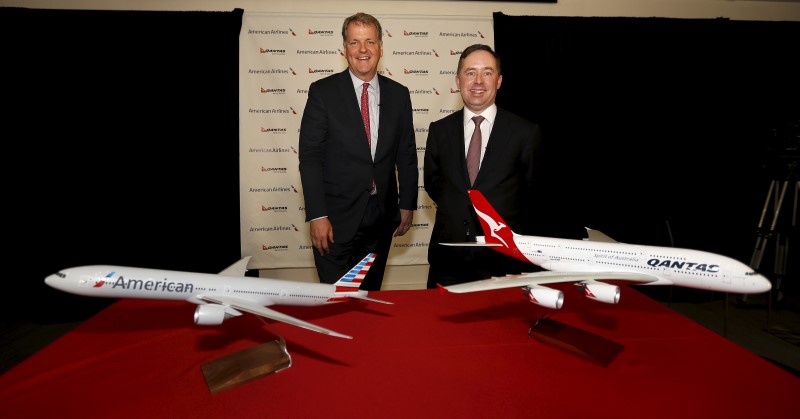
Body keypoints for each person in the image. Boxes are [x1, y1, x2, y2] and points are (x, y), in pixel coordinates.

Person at [299, 12, 418, 291]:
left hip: (381, 217)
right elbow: (310, 158)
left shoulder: (399, 95)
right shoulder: (322, 92)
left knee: (369, 297)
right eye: (355, 42)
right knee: (335, 299)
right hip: (334, 221)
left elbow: (407, 153)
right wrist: (317, 215)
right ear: (344, 48)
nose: (363, 50)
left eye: (369, 42)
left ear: (380, 48)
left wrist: (407, 204)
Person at [424, 44, 543, 289]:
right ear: (458, 80)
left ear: (498, 81)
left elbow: (534, 196)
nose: (478, 81)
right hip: (448, 260)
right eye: (470, 72)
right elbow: (433, 185)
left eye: (487, 73)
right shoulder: (439, 130)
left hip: (504, 262)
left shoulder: (525, 132)